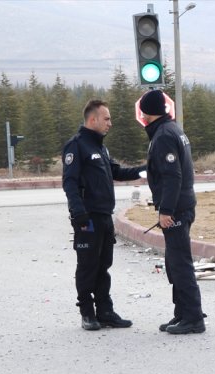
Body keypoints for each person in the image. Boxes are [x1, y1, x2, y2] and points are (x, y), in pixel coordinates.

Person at [62, 99, 145, 331]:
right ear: (93, 119)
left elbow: (117, 172)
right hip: (87, 218)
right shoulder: (76, 146)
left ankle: (105, 312)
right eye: (106, 119)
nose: (110, 123)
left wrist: (146, 168)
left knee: (103, 266)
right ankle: (87, 313)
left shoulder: (100, 147)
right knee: (87, 266)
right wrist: (78, 212)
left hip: (104, 216)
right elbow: (69, 182)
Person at [139, 89, 206, 335]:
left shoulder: (164, 135)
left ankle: (193, 318)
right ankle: (182, 313)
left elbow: (172, 175)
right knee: (174, 262)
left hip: (177, 209)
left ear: (147, 113)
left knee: (180, 263)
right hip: (183, 204)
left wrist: (166, 210)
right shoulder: (172, 129)